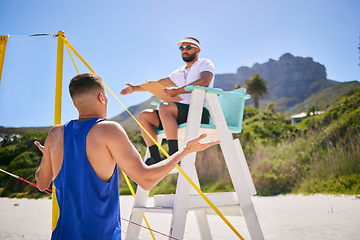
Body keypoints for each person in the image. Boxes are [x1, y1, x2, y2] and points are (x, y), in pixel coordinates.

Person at [34, 73, 220, 240]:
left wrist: (48, 157)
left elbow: (42, 184)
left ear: (75, 103)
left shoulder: (55, 134)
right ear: (102, 97)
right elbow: (146, 180)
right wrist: (185, 151)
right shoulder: (108, 129)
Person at [120, 37, 215, 165]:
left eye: (188, 47)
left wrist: (177, 91)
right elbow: (158, 83)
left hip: (197, 112)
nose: (184, 50)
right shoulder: (179, 72)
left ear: (197, 50)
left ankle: (174, 155)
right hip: (174, 114)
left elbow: (204, 81)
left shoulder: (204, 63)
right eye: (182, 48)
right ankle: (155, 157)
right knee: (145, 116)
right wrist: (134, 88)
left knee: (164, 107)